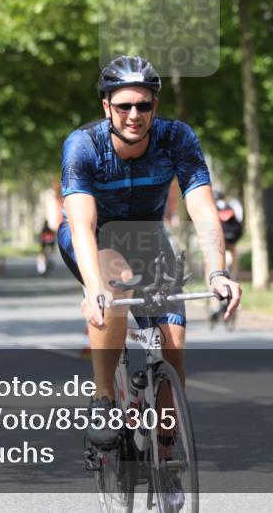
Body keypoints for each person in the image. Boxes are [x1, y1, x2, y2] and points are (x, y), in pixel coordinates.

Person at [58, 55, 242, 458]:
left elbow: (202, 208)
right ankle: (104, 400)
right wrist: (95, 289)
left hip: (147, 239)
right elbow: (83, 225)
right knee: (114, 276)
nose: (134, 115)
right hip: (92, 239)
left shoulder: (177, 138)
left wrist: (217, 271)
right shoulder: (82, 146)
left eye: (143, 105)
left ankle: (167, 456)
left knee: (173, 343)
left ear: (155, 106)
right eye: (124, 106)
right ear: (106, 106)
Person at [210, 192, 244, 327]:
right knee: (233, 259)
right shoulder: (232, 206)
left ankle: (214, 305)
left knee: (212, 269)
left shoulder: (212, 207)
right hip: (233, 240)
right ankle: (234, 280)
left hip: (220, 241)